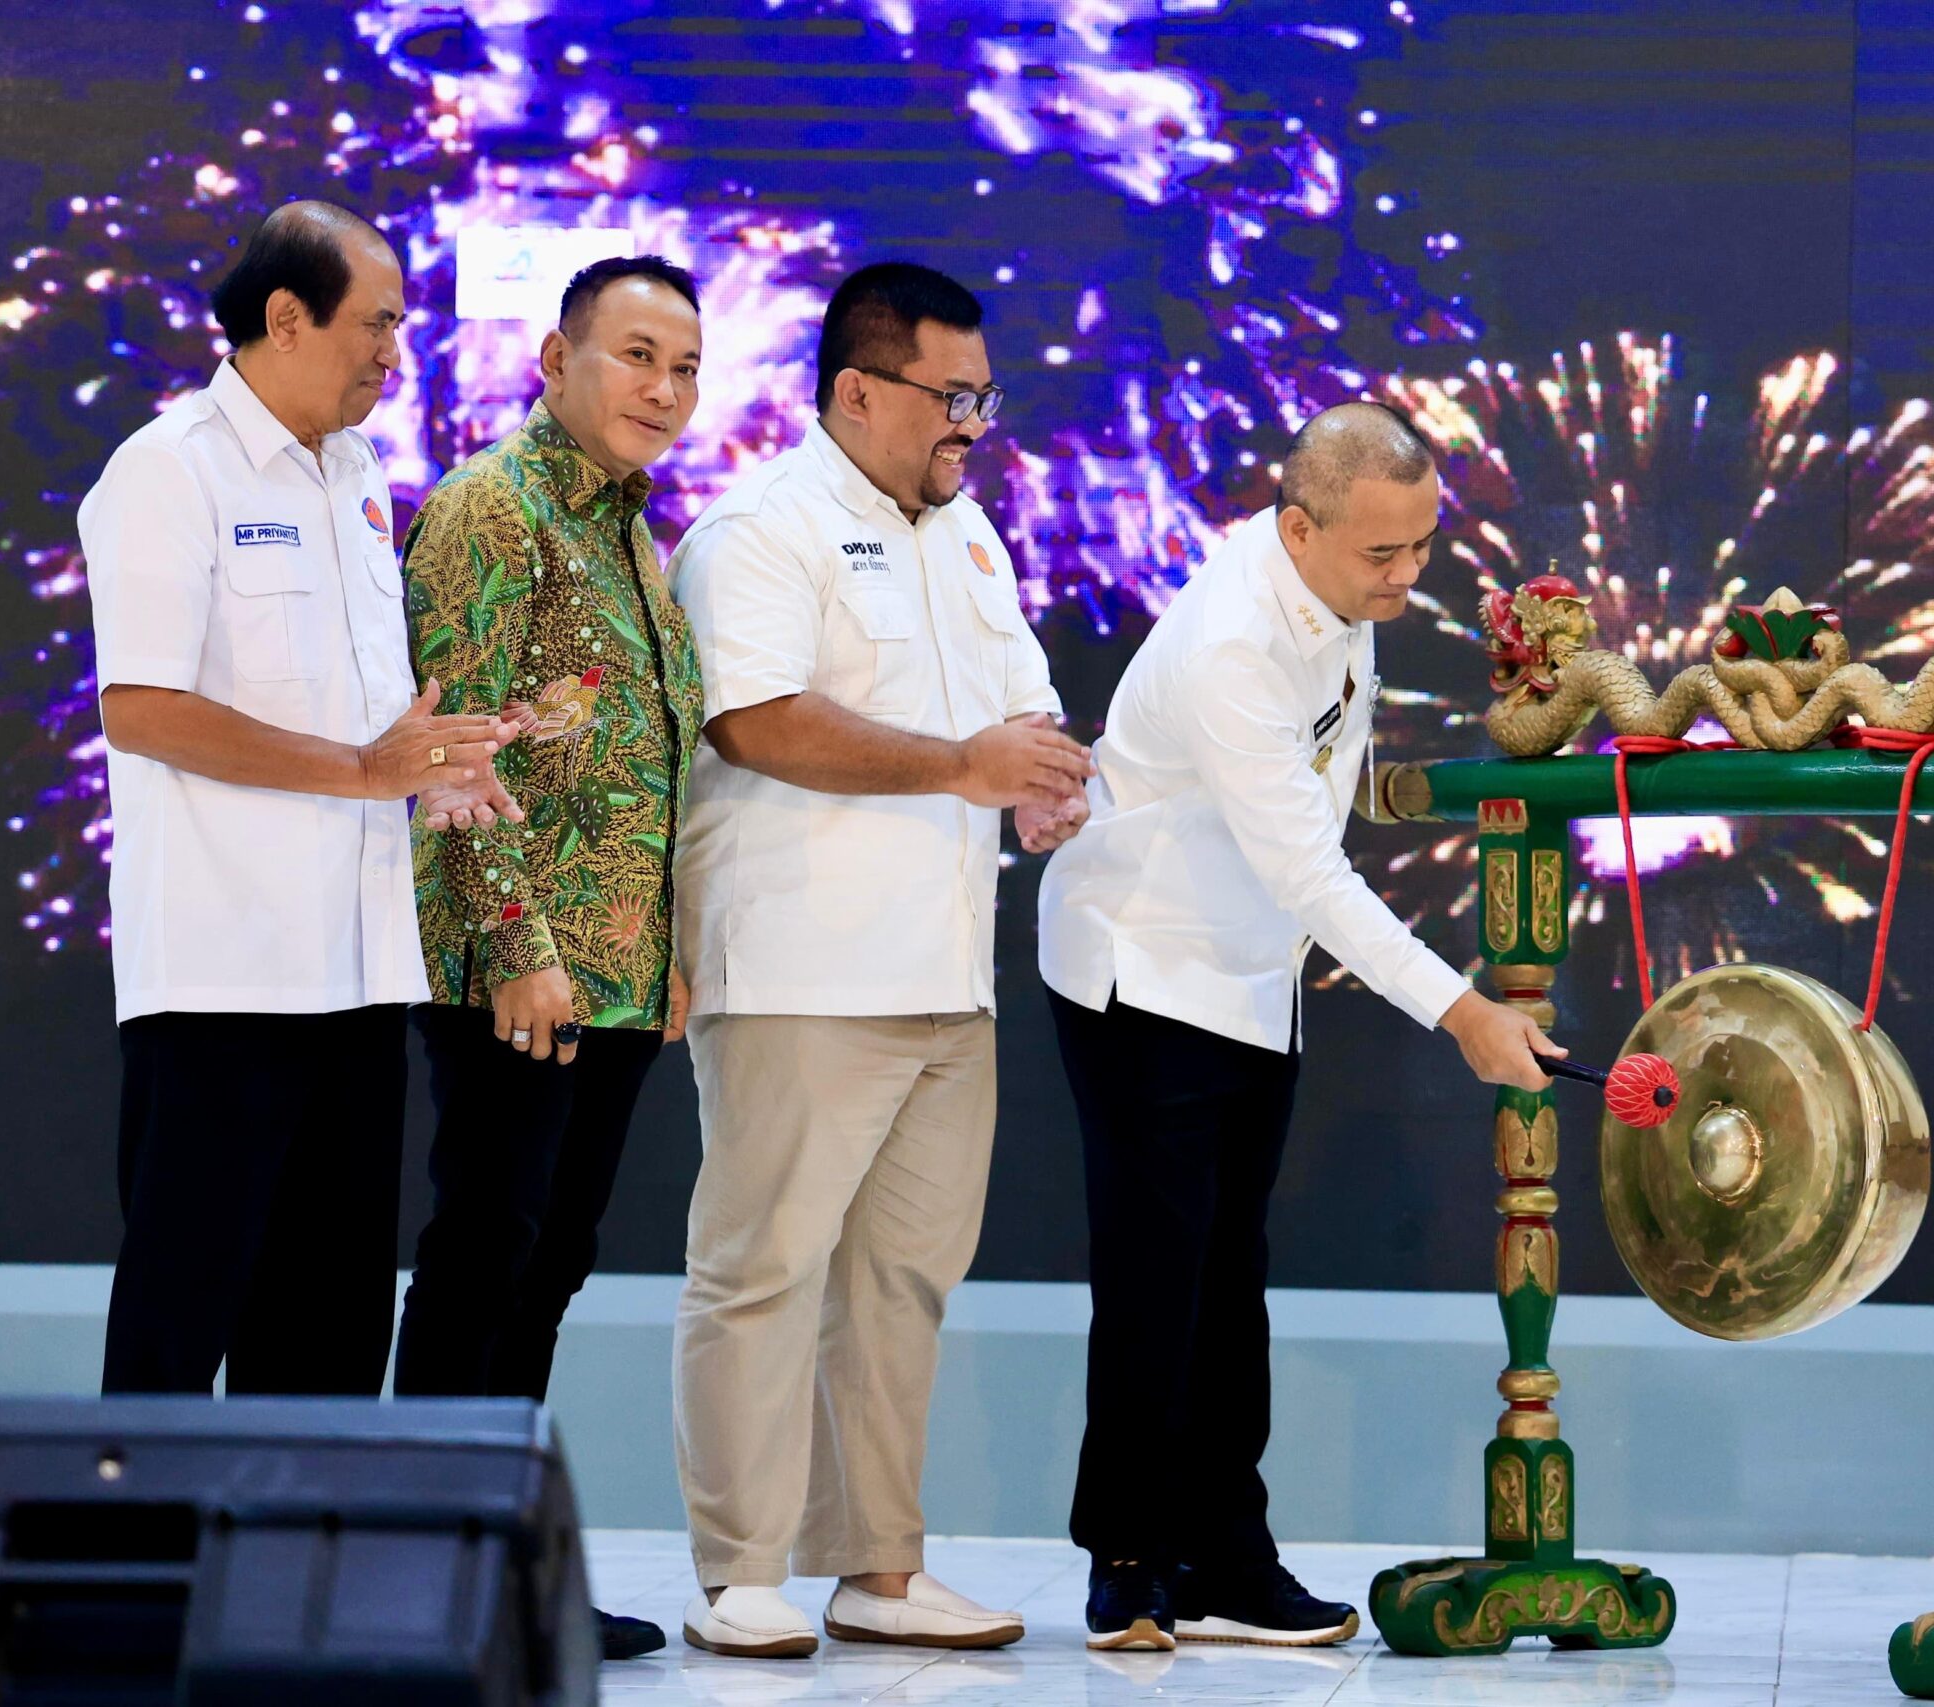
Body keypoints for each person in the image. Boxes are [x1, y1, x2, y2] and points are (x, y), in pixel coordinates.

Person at [1036, 401, 1566, 1651]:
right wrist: (1462, 1012)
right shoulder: (1232, 637)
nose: (1406, 577)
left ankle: (1225, 1555)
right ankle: (1126, 1558)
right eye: (1382, 554)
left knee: (1232, 1278)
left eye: (1423, 548)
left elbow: (1309, 797)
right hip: (1143, 970)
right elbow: (1308, 873)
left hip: (1248, 975)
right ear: (1295, 525)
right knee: (1158, 1276)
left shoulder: (1339, 600)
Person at [664, 262, 1089, 1658]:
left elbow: (1022, 704)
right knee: (764, 1267)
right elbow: (757, 722)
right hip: (798, 965)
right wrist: (965, 763)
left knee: (900, 1279)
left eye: (985, 395)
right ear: (856, 390)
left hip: (945, 975)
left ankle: (877, 1567)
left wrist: (1042, 775)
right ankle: (738, 1567)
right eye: (948, 396)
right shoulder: (760, 529)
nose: (974, 423)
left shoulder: (970, 540)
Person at [82, 201, 516, 1400]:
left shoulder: (360, 475)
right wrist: (364, 771)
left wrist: (437, 764)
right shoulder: (168, 473)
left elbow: (365, 718)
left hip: (362, 971)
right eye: (376, 323)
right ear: (286, 317)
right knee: (183, 1313)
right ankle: (131, 1586)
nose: (394, 352)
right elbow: (144, 709)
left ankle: (288, 1590)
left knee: (328, 1330)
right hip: (226, 977)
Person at [394, 254, 708, 1663]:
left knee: (552, 1259)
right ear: (554, 357)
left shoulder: (637, 529)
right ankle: (423, 1580)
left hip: (621, 976)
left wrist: (670, 944)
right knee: (484, 1255)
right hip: (516, 972)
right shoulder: (489, 508)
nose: (663, 387)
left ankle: (507, 1570)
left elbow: (649, 760)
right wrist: (519, 945)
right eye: (636, 354)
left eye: (686, 365)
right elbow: (450, 746)